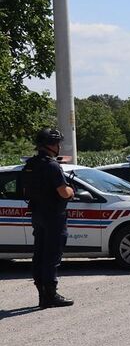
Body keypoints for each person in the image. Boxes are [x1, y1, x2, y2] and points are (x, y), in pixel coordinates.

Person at [21, 128, 75, 308]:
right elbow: (63, 191)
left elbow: (23, 190)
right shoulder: (52, 166)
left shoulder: (30, 165)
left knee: (40, 254)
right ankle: (51, 295)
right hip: (53, 215)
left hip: (37, 213)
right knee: (52, 255)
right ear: (50, 145)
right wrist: (71, 191)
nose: (59, 146)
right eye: (57, 143)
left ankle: (42, 294)